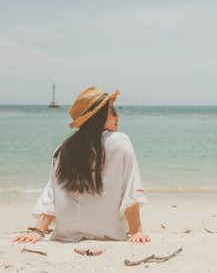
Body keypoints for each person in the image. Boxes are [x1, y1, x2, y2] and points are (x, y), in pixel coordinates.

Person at [13, 86, 150, 244]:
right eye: (112, 111)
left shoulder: (63, 149)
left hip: (66, 234)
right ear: (98, 116)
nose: (117, 115)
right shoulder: (120, 141)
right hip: (106, 231)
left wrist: (38, 232)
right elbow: (130, 188)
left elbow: (52, 193)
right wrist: (136, 232)